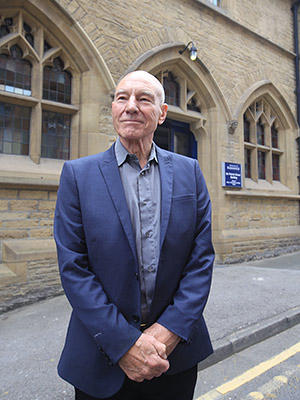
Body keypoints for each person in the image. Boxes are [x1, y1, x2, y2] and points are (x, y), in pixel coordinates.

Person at [54, 70, 215, 400]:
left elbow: (200, 262)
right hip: (100, 358)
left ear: (162, 113)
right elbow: (74, 269)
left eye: (144, 99)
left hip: (174, 356)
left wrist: (168, 333)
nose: (130, 106)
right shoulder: (77, 176)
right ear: (113, 108)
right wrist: (124, 343)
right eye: (121, 98)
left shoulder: (190, 173)